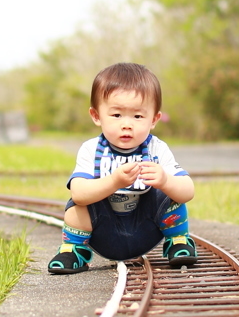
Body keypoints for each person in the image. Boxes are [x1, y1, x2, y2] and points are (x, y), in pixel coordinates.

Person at [47, 62, 196, 274]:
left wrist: (165, 181)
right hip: (104, 232)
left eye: (138, 116)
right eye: (116, 115)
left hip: (145, 228)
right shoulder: (91, 149)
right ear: (96, 115)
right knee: (76, 206)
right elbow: (78, 193)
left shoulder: (157, 148)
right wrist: (114, 182)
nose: (127, 124)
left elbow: (188, 191)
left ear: (154, 119)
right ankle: (73, 250)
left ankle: (179, 242)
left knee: (170, 192)